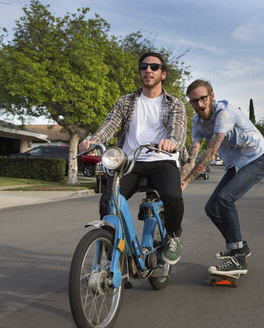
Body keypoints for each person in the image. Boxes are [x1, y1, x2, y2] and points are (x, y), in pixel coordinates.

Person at [79, 52, 187, 265]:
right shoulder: (126, 101)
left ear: (163, 74)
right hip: (129, 162)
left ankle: (173, 236)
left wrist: (171, 141)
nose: (148, 70)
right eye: (144, 66)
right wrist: (93, 141)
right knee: (109, 201)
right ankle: (114, 252)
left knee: (172, 195)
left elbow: (178, 129)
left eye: (154, 67)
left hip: (162, 159)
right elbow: (109, 125)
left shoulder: (175, 103)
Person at [181, 79, 264, 276]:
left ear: (212, 96)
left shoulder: (224, 113)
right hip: (236, 165)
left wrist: (187, 182)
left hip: (256, 159)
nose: (199, 105)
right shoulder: (197, 122)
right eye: (194, 101)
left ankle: (237, 257)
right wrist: (181, 176)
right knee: (211, 208)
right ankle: (239, 247)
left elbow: (211, 152)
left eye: (203, 99)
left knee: (224, 198)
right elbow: (193, 154)